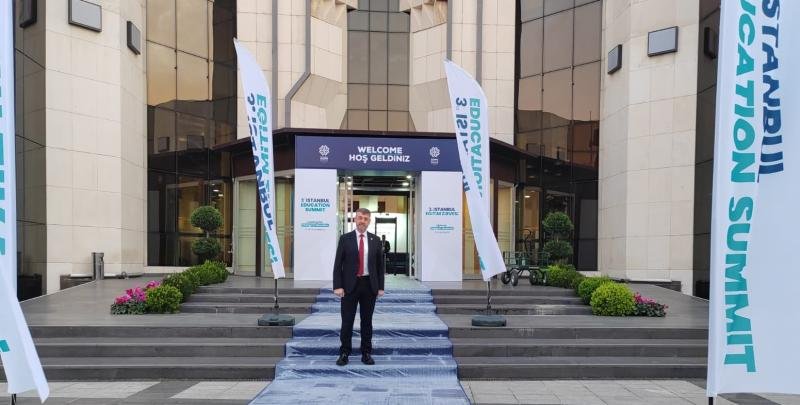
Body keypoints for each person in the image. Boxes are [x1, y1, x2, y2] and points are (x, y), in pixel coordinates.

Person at [332, 208, 385, 366]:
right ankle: (344, 353)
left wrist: (380, 287)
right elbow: (338, 264)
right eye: (360, 217)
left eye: (365, 219)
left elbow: (380, 266)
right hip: (349, 286)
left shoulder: (376, 240)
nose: (362, 221)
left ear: (369, 221)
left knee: (367, 321)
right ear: (355, 219)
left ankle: (366, 353)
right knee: (347, 321)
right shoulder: (345, 239)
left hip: (369, 286)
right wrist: (337, 286)